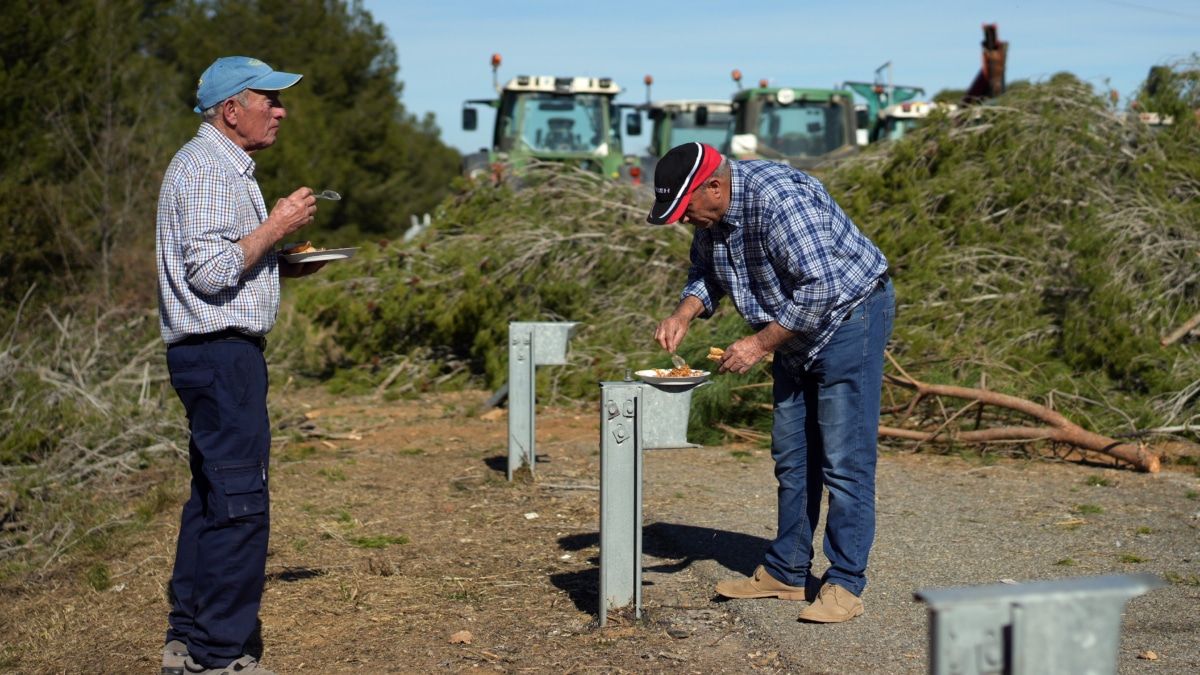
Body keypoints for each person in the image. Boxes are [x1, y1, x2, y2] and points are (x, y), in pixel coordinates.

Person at [648, 142, 894, 623]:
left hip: (849, 318)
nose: (681, 220)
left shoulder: (778, 200)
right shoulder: (714, 218)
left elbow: (822, 288)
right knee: (792, 456)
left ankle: (845, 583)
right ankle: (786, 571)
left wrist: (759, 345)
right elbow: (707, 273)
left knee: (844, 461)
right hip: (794, 329)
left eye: (684, 208)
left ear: (714, 187)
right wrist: (684, 312)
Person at [156, 56, 326, 675]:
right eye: (269, 99)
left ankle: (188, 638)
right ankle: (218, 653)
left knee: (210, 496)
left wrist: (284, 261)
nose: (281, 111)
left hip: (215, 354)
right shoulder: (205, 168)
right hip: (220, 354)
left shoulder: (223, 166)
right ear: (232, 109)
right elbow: (209, 272)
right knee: (239, 500)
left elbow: (227, 260)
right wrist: (277, 224)